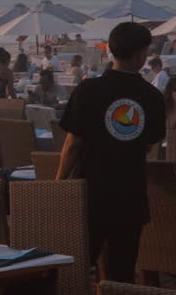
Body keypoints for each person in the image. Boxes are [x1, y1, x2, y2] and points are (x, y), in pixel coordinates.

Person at [56, 22, 166, 284]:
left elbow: (73, 144)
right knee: (122, 272)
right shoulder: (151, 97)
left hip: (90, 192)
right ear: (141, 54)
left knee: (80, 267)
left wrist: (59, 183)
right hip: (129, 194)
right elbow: (149, 144)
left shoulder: (88, 90)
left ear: (111, 50)